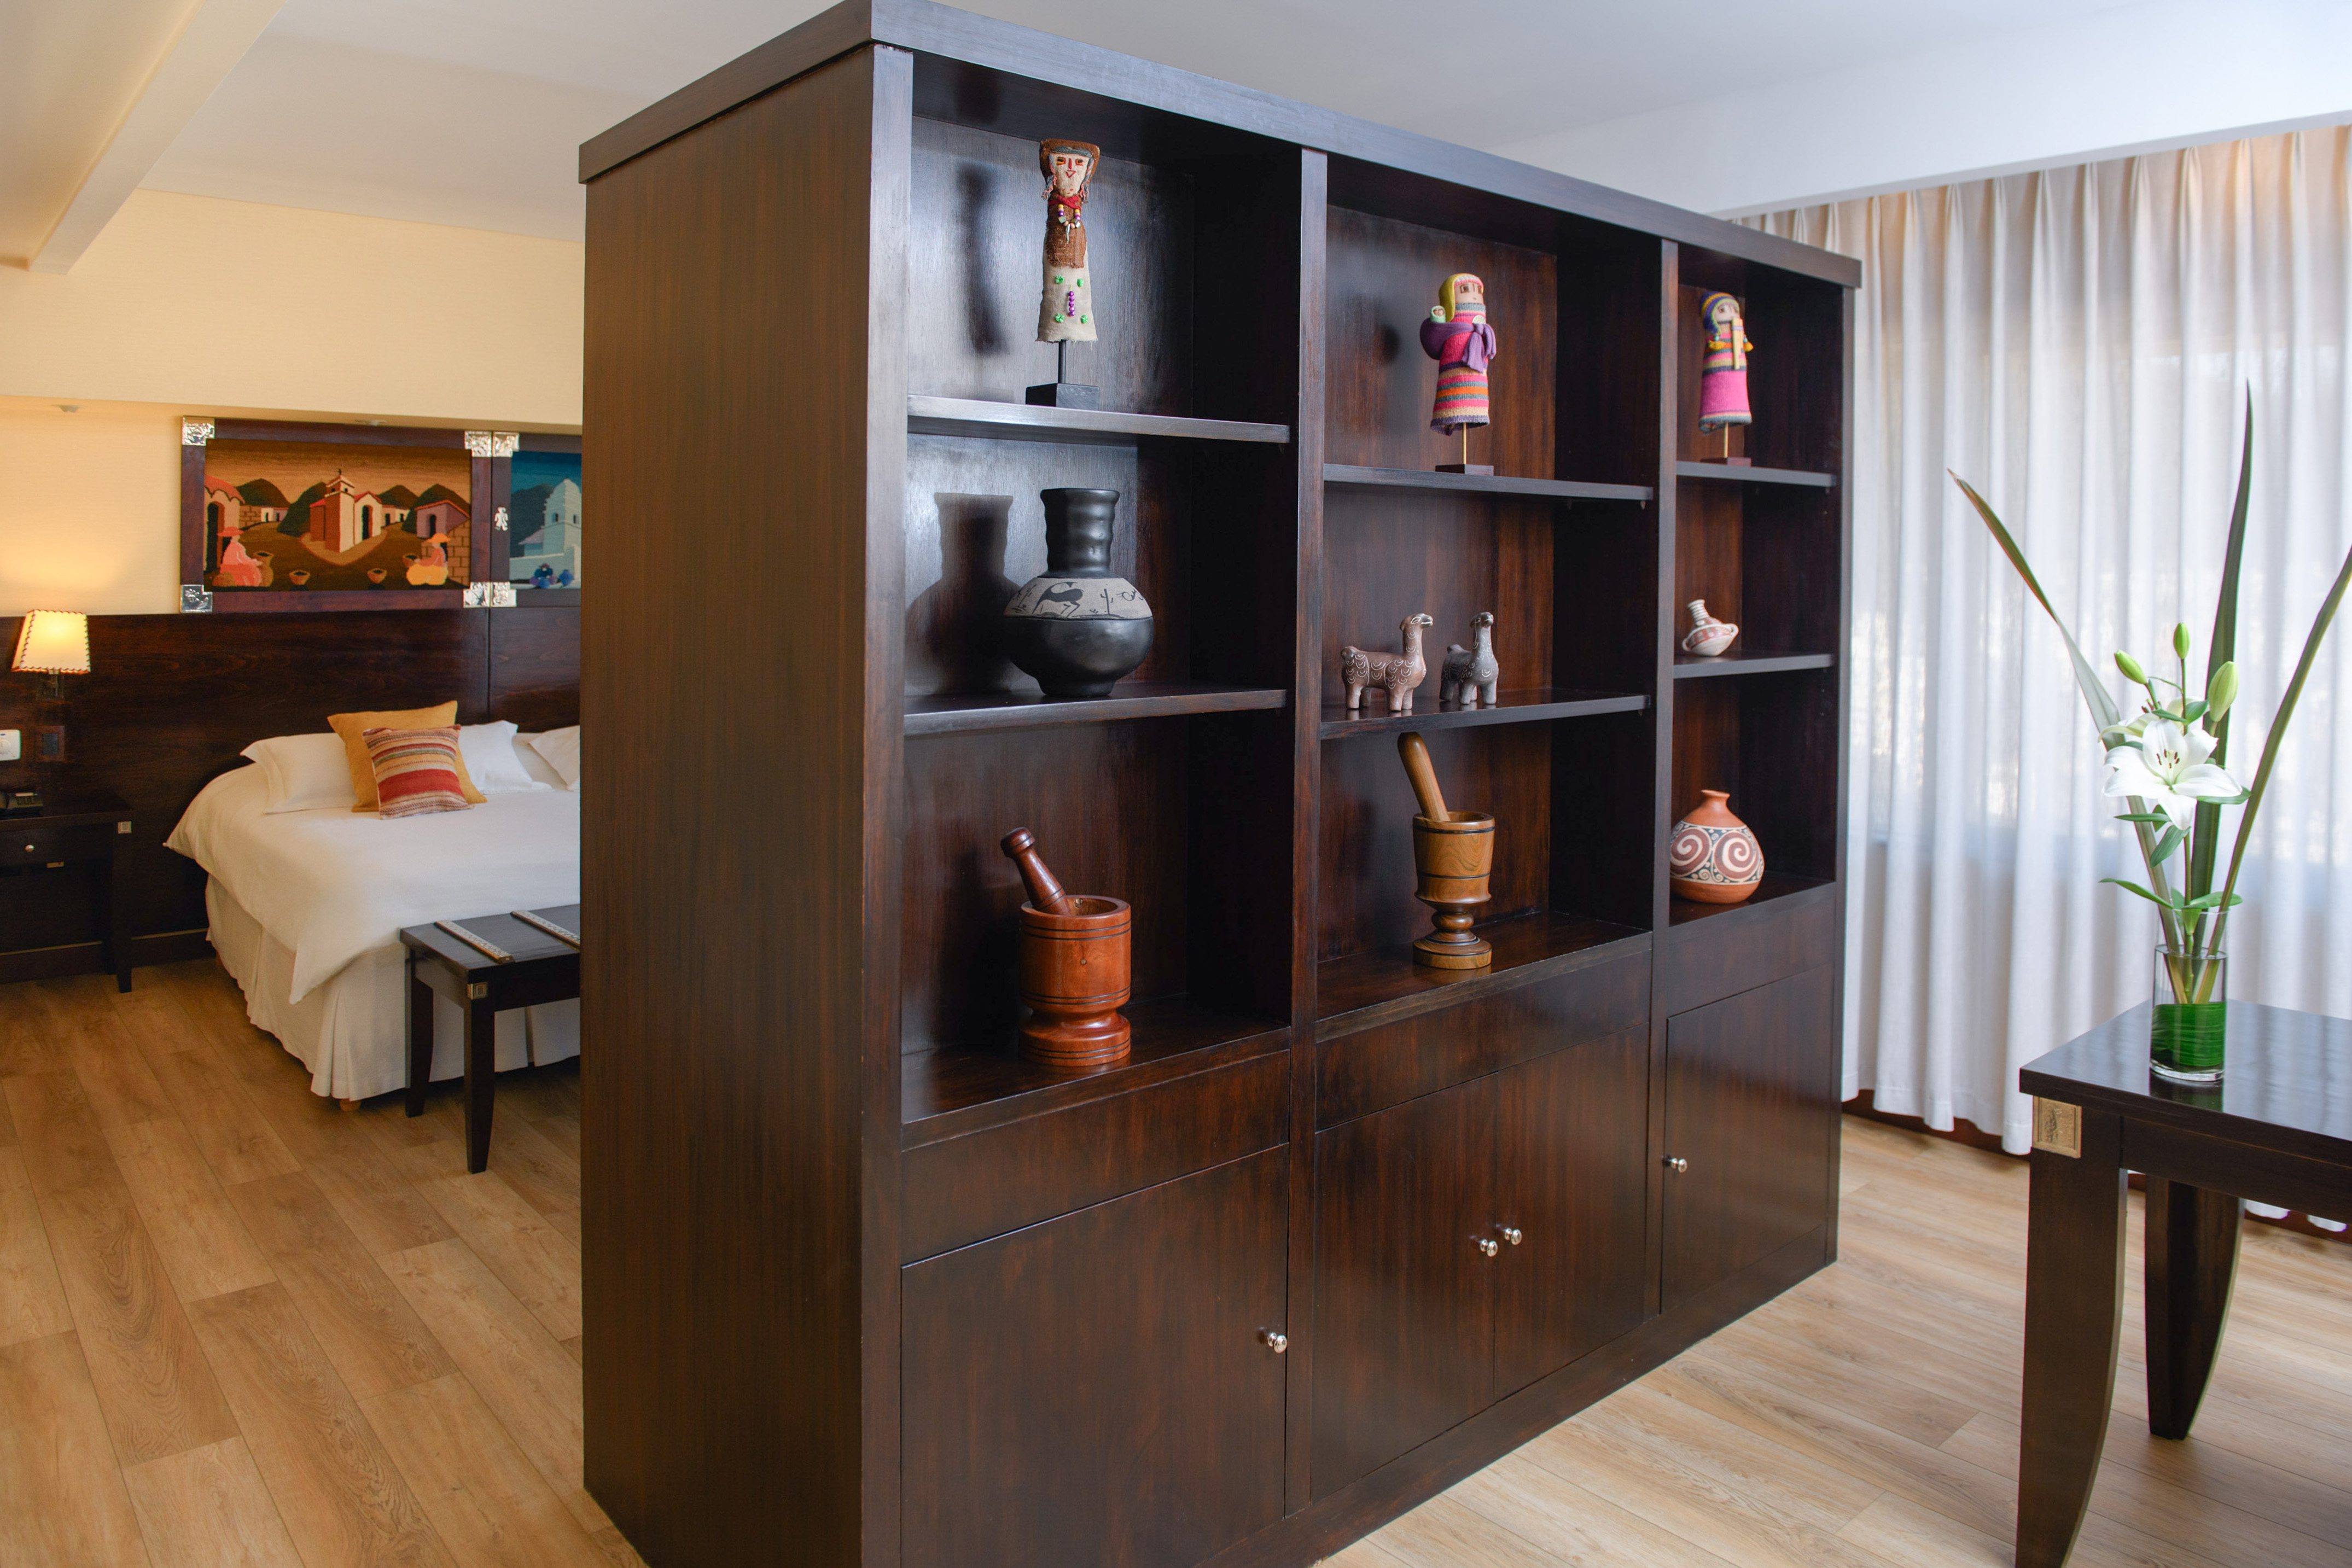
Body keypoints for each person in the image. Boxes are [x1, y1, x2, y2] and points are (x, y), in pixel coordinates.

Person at [1038, 138, 1101, 343]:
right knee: (1055, 289)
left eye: (1079, 163)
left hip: (1077, 253)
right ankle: (1056, 328)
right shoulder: (1056, 210)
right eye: (1062, 161)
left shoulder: (1077, 212)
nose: (1072, 169)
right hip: (1055, 251)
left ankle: (1077, 326)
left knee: (1079, 287)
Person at [1419, 272, 1498, 434]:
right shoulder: (1453, 328)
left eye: (1478, 290)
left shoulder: (1483, 331)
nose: (1474, 295)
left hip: (1478, 381)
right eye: (1466, 289)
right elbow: (1434, 345)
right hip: (1453, 376)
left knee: (1476, 398)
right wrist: (1438, 321)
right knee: (1454, 401)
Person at [1697, 291, 1753, 433]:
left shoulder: (1739, 336)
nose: (1732, 315)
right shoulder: (1715, 340)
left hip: (1738, 375)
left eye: (1734, 310)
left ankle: (1737, 410)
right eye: (1723, 310)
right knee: (1717, 393)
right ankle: (1715, 414)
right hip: (1717, 374)